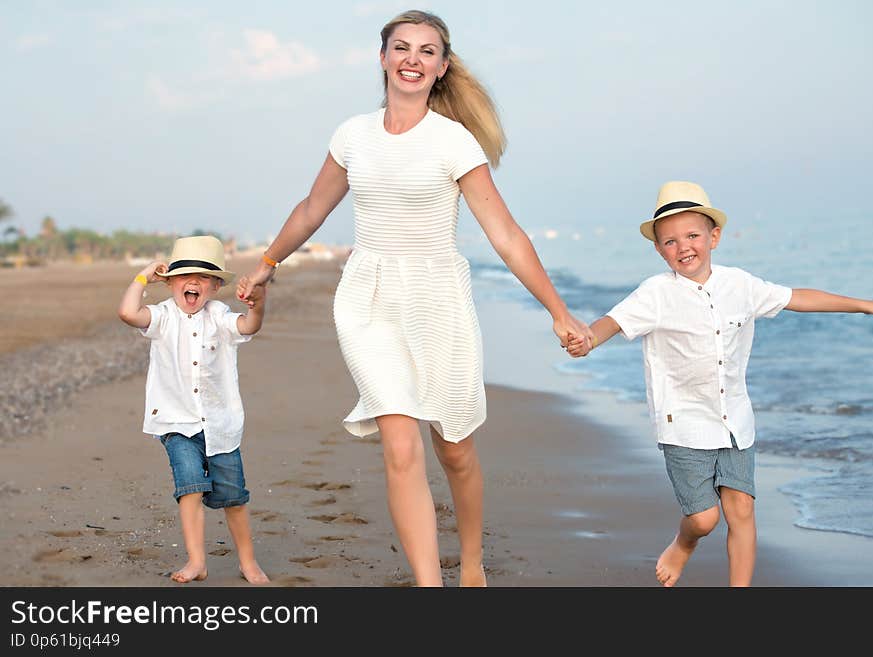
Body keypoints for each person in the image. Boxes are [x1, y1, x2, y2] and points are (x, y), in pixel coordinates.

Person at [238, 9, 591, 586]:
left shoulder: (454, 142)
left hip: (438, 300)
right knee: (399, 447)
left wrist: (559, 311)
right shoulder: (353, 135)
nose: (412, 59)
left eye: (427, 51)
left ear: (442, 67)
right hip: (368, 299)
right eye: (401, 48)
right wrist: (268, 264)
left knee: (453, 448)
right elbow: (311, 210)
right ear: (382, 58)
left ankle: (471, 560)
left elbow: (505, 234)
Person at [582, 180, 873, 587]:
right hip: (683, 423)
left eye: (692, 235)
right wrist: (588, 338)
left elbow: (797, 297)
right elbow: (613, 321)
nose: (683, 247)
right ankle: (683, 544)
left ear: (714, 237)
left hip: (736, 420)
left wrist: (865, 305)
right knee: (704, 520)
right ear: (658, 249)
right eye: (670, 241)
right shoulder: (655, 293)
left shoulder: (740, 285)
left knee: (741, 509)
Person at [118, 235, 270, 584]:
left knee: (234, 498)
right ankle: (197, 561)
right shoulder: (162, 317)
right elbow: (128, 312)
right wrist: (143, 276)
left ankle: (248, 562)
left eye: (204, 277)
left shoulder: (220, 316)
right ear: (170, 282)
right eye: (184, 275)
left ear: (216, 286)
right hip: (177, 422)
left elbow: (250, 325)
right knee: (190, 488)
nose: (194, 282)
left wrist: (258, 304)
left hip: (221, 424)